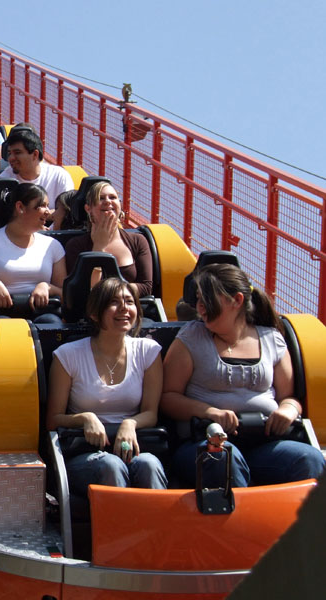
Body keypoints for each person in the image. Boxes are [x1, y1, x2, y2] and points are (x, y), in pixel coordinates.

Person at [161, 263, 325, 488]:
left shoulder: (271, 339)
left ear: (236, 300)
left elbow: (289, 397)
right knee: (224, 457)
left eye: (207, 299)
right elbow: (168, 397)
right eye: (198, 299)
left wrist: (288, 410)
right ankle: (246, 521)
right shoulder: (191, 338)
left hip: (264, 443)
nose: (200, 307)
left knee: (309, 459)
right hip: (205, 441)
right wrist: (210, 412)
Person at [46, 278, 167, 494]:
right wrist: (86, 418)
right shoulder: (68, 355)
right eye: (114, 302)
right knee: (111, 466)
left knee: (150, 464)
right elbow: (53, 420)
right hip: (84, 452)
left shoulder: (148, 352)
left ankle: (158, 526)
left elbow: (150, 413)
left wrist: (130, 424)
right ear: (94, 313)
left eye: (130, 302)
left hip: (131, 448)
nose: (124, 308)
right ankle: (118, 527)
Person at [0, 183, 65, 320]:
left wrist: (47, 287)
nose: (48, 211)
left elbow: (66, 296)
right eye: (42, 205)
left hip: (42, 314)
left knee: (50, 322)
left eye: (48, 206)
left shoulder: (53, 246)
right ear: (20, 207)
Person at [64, 182, 153, 297]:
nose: (107, 201)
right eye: (100, 198)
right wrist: (98, 248)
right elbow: (86, 289)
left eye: (113, 197)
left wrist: (111, 291)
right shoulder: (75, 246)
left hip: (130, 309)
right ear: (88, 208)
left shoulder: (138, 241)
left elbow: (146, 287)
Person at [0, 128, 74, 210]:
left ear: (35, 154)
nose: (11, 158)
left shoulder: (59, 176)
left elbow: (67, 212)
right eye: (9, 153)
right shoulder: (5, 179)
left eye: (17, 153)